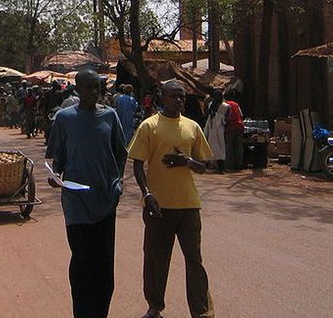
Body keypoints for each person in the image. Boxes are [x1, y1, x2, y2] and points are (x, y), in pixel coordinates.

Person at [128, 80, 215, 318]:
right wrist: (146, 194)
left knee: (194, 261)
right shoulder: (149, 126)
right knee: (156, 260)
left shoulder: (192, 127)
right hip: (158, 207)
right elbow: (138, 164)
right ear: (162, 98)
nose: (179, 100)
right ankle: (155, 306)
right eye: (174, 96)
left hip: (188, 206)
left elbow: (203, 166)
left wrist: (186, 161)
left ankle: (201, 310)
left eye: (182, 97)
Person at [46, 69, 127, 318]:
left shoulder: (110, 116)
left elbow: (120, 152)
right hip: (76, 202)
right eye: (89, 87)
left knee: (104, 267)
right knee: (82, 261)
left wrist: (118, 183)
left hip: (105, 200)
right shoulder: (64, 118)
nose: (95, 92)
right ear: (78, 90)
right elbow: (56, 157)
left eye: (98, 87)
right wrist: (56, 176)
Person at [204, 89, 229, 174]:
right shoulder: (223, 106)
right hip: (217, 128)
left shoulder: (217, 105)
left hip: (215, 128)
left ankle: (215, 167)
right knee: (219, 147)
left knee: (216, 147)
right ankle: (220, 168)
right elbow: (227, 119)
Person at [224, 94, 245, 170]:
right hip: (239, 125)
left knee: (229, 146)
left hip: (231, 126)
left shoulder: (225, 105)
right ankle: (239, 164)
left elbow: (226, 117)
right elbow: (241, 115)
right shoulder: (236, 104)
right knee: (239, 145)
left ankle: (230, 164)